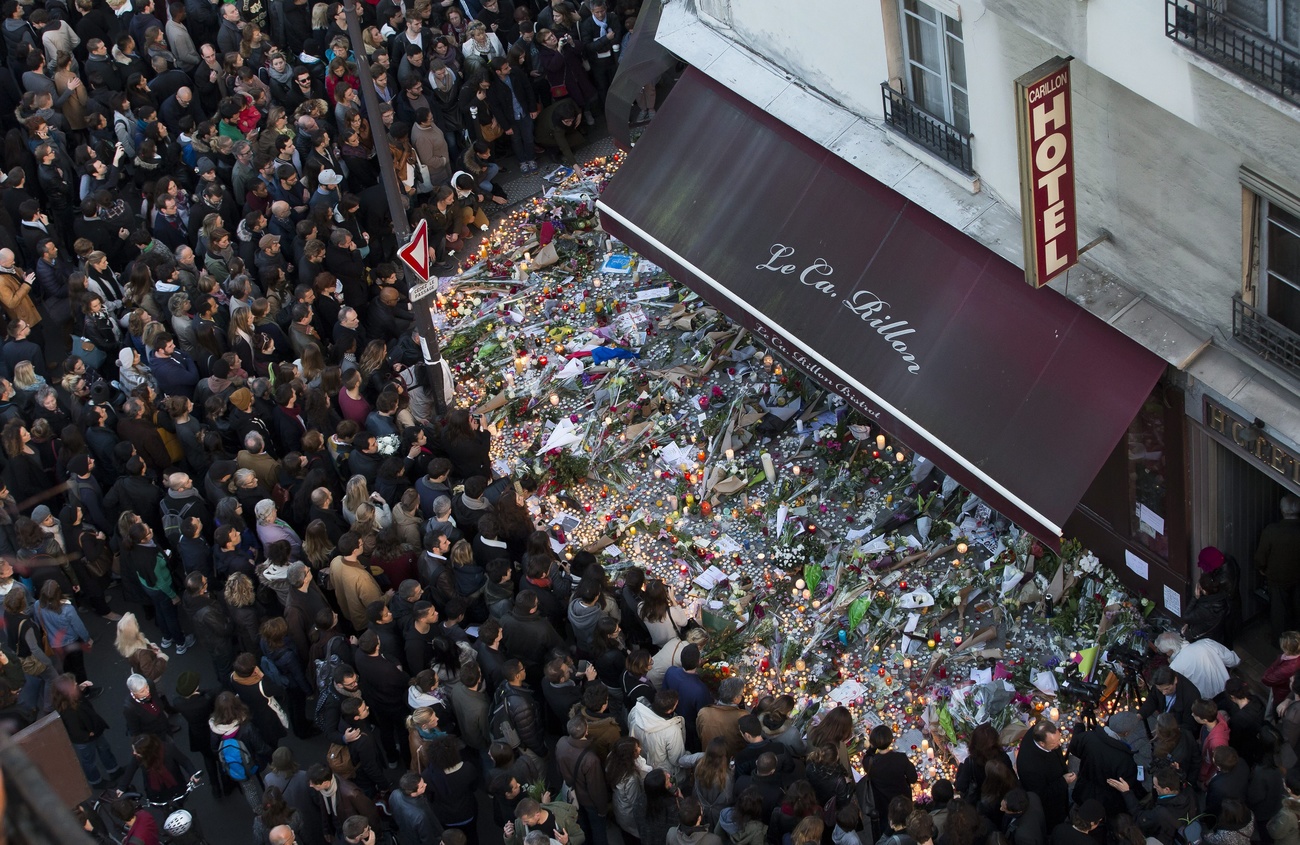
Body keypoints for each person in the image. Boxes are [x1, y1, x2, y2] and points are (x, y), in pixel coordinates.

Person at [1258, 495, 1300, 638]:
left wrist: (1261, 568)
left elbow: (1261, 555)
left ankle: (1280, 642)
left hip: (1277, 577)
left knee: (1279, 612)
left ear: (1282, 510)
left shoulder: (1272, 530)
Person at [1154, 630, 1240, 699]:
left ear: (1169, 651)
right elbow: (1233, 660)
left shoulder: (1174, 668)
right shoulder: (1205, 643)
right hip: (1229, 690)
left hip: (1207, 701)